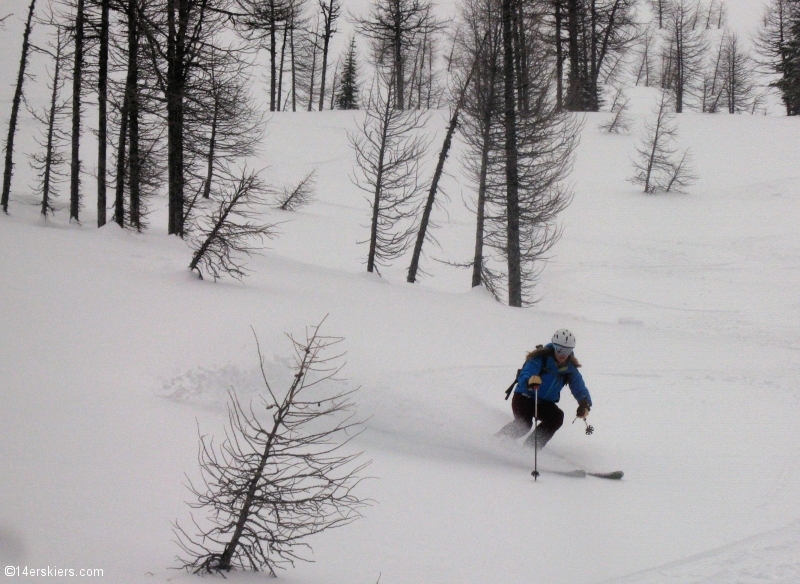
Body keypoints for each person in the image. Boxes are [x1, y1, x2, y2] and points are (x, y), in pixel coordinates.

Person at [498, 329, 592, 450]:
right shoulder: (540, 358)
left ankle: (530, 449)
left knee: (556, 417)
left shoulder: (570, 369)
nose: (563, 354)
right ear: (554, 346)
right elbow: (526, 373)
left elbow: (579, 387)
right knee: (524, 424)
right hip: (525, 396)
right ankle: (496, 440)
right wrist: (530, 380)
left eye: (567, 350)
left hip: (544, 403)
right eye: (560, 349)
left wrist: (584, 404)